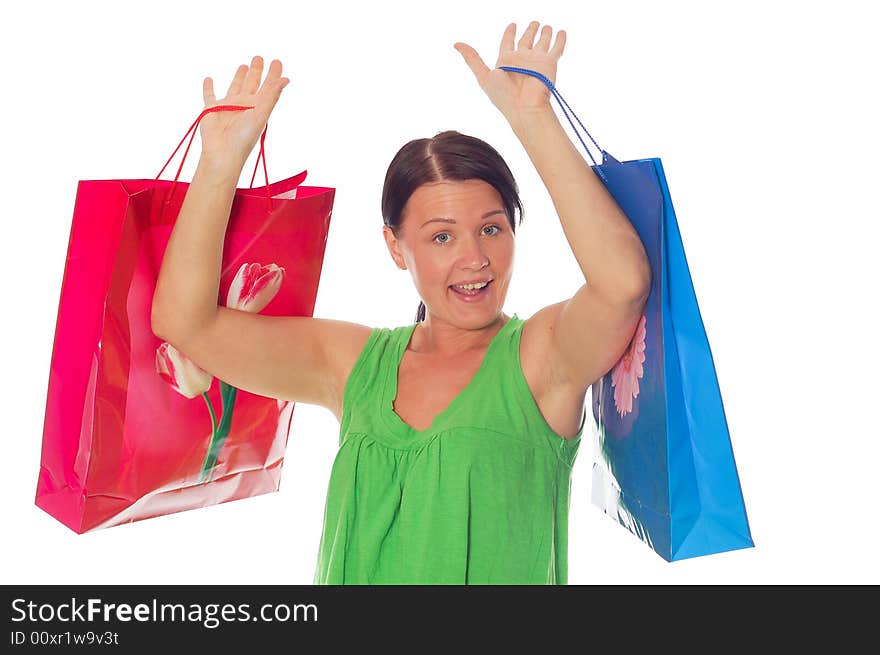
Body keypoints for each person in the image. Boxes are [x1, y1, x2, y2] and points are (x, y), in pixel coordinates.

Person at [151, 21, 651, 584]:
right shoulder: (353, 365)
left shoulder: (541, 358)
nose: (474, 258)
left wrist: (532, 119)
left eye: (492, 229)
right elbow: (184, 324)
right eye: (441, 237)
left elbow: (622, 284)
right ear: (395, 247)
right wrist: (219, 163)